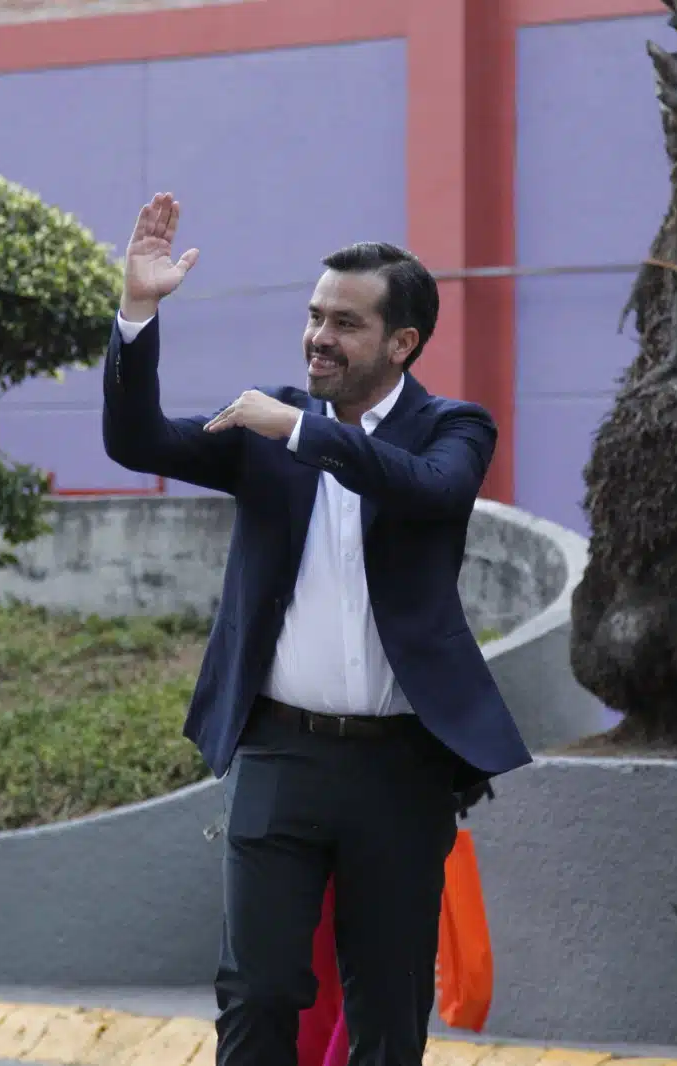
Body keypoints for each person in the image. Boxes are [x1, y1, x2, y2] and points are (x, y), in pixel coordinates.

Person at [102, 193, 532, 1066]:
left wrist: (301, 428)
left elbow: (432, 490)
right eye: (313, 316)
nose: (318, 337)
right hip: (278, 754)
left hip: (402, 766)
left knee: (388, 1004)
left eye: (346, 322)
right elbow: (135, 440)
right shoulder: (262, 429)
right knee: (258, 992)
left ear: (402, 343)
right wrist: (139, 312)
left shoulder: (451, 428)